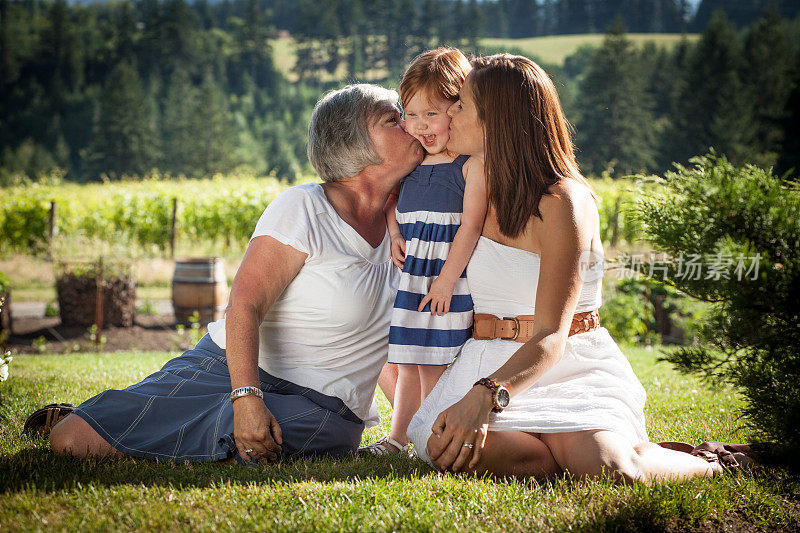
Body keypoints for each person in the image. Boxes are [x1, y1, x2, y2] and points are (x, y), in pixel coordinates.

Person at [35, 84, 424, 463]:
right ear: (352, 143)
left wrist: (408, 434)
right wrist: (247, 396)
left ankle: (136, 429)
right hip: (227, 367)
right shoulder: (304, 208)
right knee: (71, 440)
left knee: (268, 438)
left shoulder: (414, 222)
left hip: (320, 408)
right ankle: (103, 421)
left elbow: (387, 347)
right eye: (394, 119)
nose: (411, 124)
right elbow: (245, 305)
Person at [406, 54, 725, 482]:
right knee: (448, 446)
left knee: (612, 471)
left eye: (460, 105)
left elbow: (551, 335)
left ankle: (714, 462)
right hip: (487, 355)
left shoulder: (562, 202)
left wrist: (484, 397)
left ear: (496, 119)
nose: (449, 114)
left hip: (566, 363)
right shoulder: (473, 188)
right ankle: (557, 450)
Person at [360, 48, 488, 455]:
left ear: (458, 108)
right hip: (412, 276)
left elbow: (471, 226)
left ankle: (433, 437)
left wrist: (447, 281)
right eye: (410, 115)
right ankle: (400, 439)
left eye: (432, 114)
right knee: (410, 360)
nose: (419, 126)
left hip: (443, 279)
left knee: (433, 363)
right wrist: (395, 233)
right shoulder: (413, 160)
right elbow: (391, 201)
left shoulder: (468, 165)